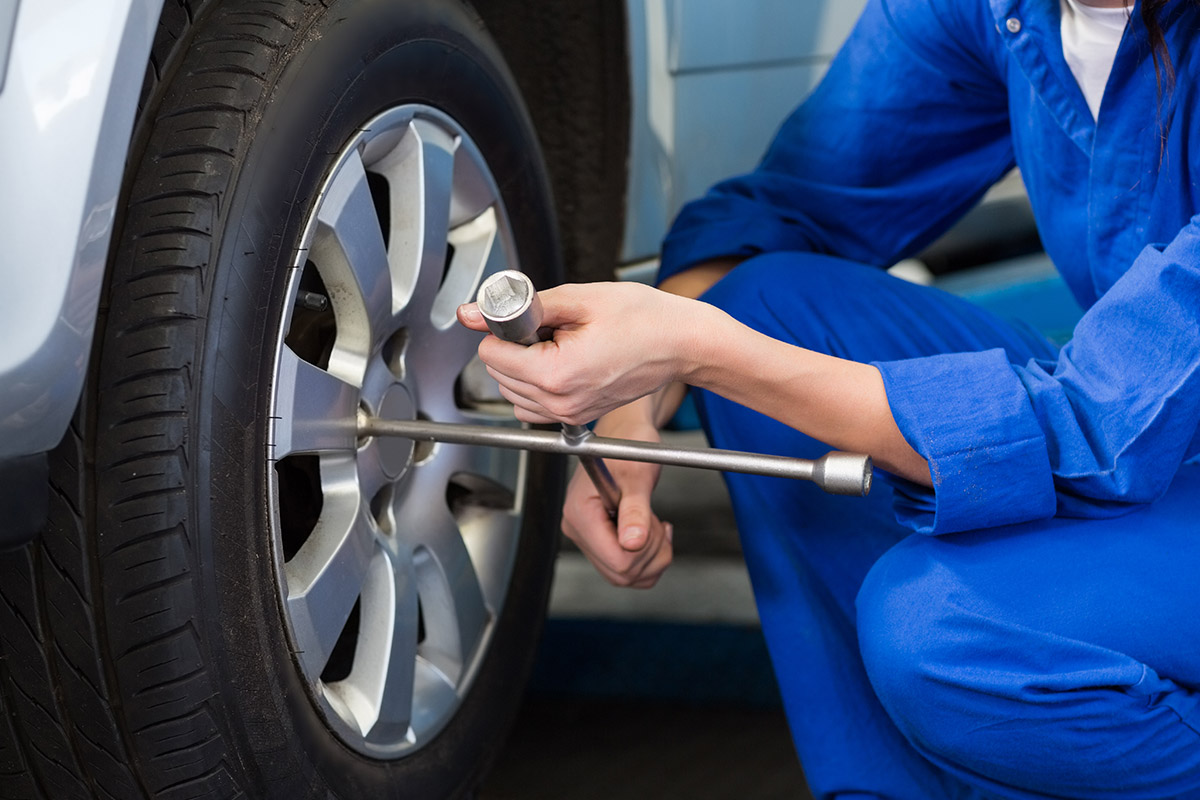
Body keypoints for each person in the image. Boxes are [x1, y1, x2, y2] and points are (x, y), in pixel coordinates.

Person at [458, 0, 1200, 796]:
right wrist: (635, 403)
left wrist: (692, 348)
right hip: (1140, 411)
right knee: (763, 304)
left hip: (1130, 424)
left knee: (946, 631)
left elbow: (1091, 429)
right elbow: (785, 206)